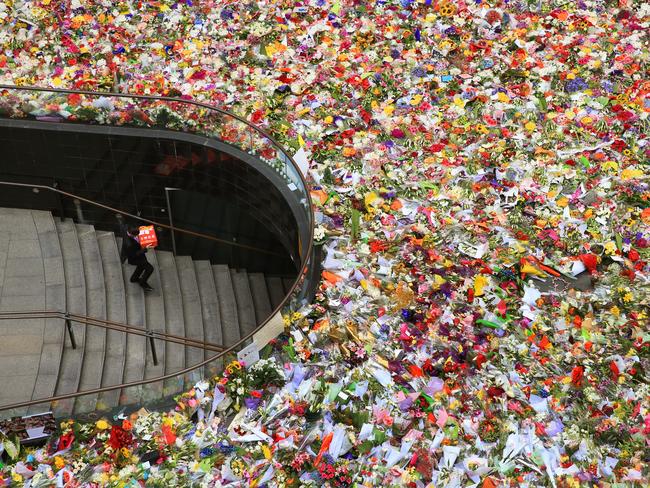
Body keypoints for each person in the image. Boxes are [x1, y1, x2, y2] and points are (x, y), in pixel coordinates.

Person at [121, 225, 154, 292]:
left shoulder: (126, 229)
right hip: (135, 259)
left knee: (141, 267)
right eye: (136, 235)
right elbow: (134, 255)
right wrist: (145, 249)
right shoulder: (129, 244)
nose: (137, 236)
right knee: (150, 269)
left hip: (137, 254)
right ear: (131, 234)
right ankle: (142, 283)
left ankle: (134, 278)